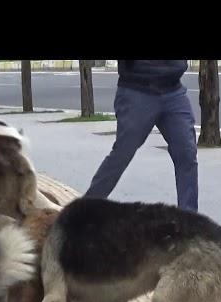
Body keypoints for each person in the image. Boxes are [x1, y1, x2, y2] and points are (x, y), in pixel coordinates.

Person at [84, 60, 198, 212]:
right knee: (122, 153)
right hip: (136, 90)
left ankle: (189, 218)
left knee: (187, 152)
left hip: (173, 90)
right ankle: (85, 210)